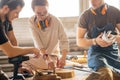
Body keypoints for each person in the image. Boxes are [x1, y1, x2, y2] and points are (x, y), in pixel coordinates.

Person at [77, 0, 120, 80]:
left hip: (113, 55)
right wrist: (95, 41)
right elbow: (79, 41)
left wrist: (114, 38)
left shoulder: (115, 12)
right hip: (96, 54)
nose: (92, 1)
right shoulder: (85, 16)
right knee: (106, 74)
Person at [0, 0, 40, 79]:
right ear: (5, 8)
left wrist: (19, 66)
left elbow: (13, 41)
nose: (17, 16)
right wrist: (32, 49)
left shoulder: (7, 21)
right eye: (16, 12)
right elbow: (10, 52)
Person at [28, 0, 69, 69]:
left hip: (53, 56)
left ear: (48, 8)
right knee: (20, 63)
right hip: (41, 55)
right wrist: (47, 59)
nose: (43, 16)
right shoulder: (31, 21)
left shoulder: (56, 20)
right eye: (39, 13)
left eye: (45, 12)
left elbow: (64, 40)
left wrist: (63, 57)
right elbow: (38, 43)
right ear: (33, 11)